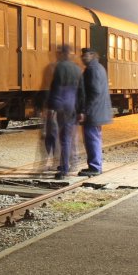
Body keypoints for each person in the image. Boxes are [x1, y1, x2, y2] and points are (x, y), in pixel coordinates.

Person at [45, 44, 85, 179]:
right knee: (72, 136)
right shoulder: (77, 68)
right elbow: (81, 91)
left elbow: (56, 88)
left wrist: (52, 107)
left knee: (64, 138)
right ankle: (73, 163)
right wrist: (81, 110)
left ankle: (64, 168)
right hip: (73, 105)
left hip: (62, 104)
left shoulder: (59, 67)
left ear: (62, 54)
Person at [80, 47, 113, 176]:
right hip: (97, 111)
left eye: (85, 55)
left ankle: (94, 167)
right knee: (94, 138)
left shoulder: (92, 70)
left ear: (93, 55)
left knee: (92, 139)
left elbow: (94, 92)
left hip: (93, 112)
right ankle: (95, 165)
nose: (82, 58)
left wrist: (84, 110)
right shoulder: (99, 68)